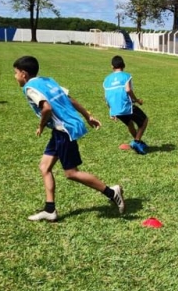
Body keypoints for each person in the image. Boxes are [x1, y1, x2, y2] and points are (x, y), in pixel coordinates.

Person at [13, 55, 125, 222]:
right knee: (44, 167)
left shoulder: (30, 88)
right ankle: (50, 210)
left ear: (24, 74)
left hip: (64, 130)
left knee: (71, 173)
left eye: (15, 73)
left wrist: (41, 126)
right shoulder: (48, 81)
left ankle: (111, 192)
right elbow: (69, 99)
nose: (15, 77)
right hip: (61, 130)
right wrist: (87, 115)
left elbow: (46, 108)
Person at [103, 55, 149, 155]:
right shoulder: (126, 76)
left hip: (115, 109)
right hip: (126, 107)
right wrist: (137, 100)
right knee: (144, 120)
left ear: (112, 66)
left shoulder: (107, 79)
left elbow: (106, 97)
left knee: (130, 123)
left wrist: (111, 111)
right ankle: (137, 142)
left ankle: (138, 142)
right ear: (123, 65)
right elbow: (128, 90)